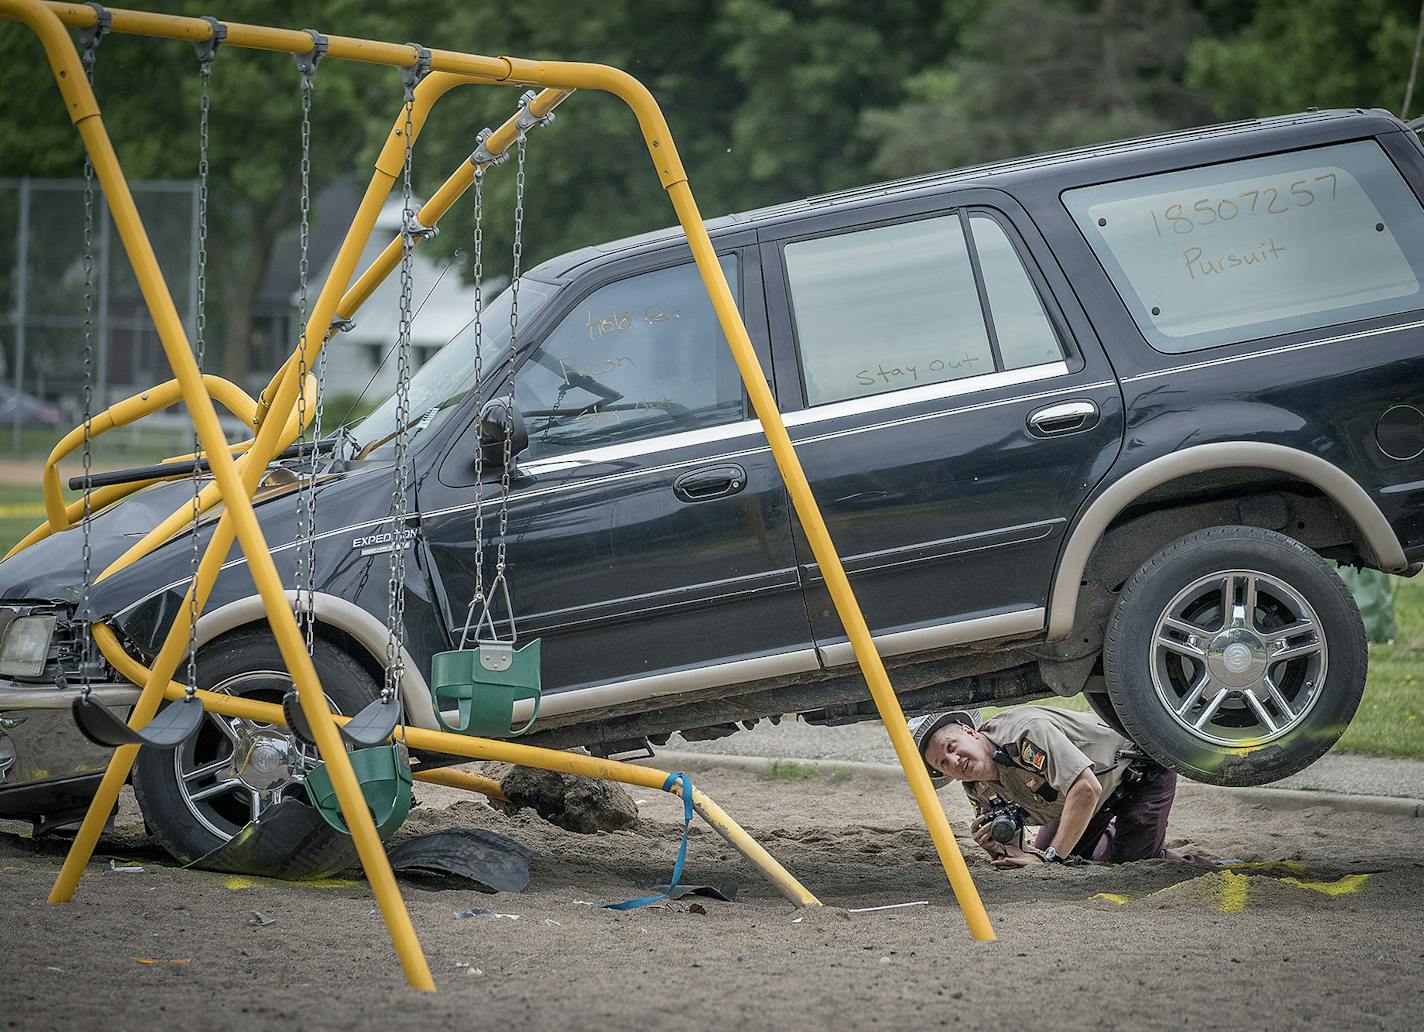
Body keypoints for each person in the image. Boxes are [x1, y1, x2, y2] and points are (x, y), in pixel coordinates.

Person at [909, 706, 1192, 867]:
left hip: (1139, 771)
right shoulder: (975, 785)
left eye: (951, 747)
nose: (954, 761)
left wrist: (1051, 859)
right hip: (1084, 802)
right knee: (1053, 851)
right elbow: (1017, 851)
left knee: (1132, 862)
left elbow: (1085, 788)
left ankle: (1207, 868)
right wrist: (1000, 849)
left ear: (970, 732)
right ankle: (1116, 835)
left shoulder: (1025, 732)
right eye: (943, 764)